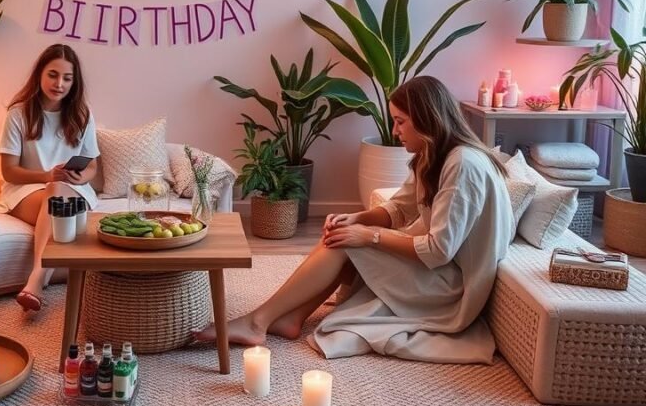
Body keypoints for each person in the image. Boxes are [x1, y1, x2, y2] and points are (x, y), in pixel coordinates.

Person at [195, 76, 514, 364]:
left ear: (426, 120)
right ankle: (291, 317)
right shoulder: (435, 156)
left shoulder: (463, 165)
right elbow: (398, 210)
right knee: (344, 233)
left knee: (346, 243)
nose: (395, 131)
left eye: (401, 122)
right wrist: (357, 218)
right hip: (438, 272)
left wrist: (368, 236)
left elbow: (438, 250)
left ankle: (257, 322)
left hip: (450, 287)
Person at [0, 44, 99, 312]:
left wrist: (78, 177)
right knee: (55, 189)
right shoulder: (18, 113)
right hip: (26, 190)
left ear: (74, 82)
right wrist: (46, 175)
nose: (59, 84)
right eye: (53, 75)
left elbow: (92, 168)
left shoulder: (81, 114)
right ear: (40, 73)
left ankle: (36, 278)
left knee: (59, 189)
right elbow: (9, 170)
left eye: (67, 78)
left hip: (72, 191)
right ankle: (40, 277)